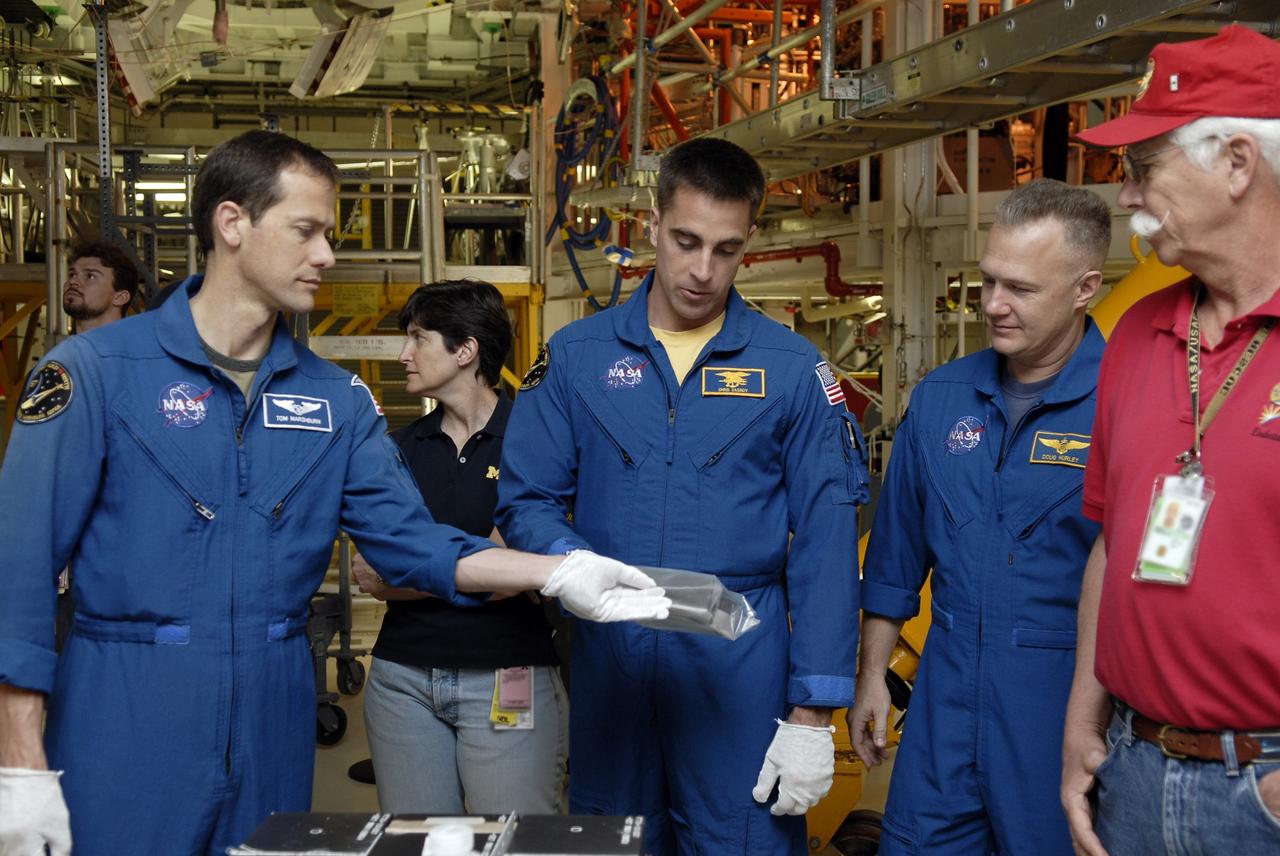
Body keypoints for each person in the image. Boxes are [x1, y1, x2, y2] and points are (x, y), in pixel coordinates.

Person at [0, 130, 670, 856]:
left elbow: (416, 546)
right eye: (307, 231)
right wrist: (20, 762)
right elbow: (21, 568)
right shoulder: (97, 372)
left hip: (272, 715)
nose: (327, 254)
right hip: (124, 708)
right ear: (232, 224)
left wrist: (561, 571)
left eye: (329, 233)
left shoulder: (335, 402)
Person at [496, 137, 868, 855]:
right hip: (614, 659)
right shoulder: (578, 356)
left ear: (749, 240)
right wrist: (571, 565)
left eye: (725, 250)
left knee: (742, 839)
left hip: (741, 669)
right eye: (686, 241)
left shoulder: (791, 371)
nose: (702, 271)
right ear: (651, 226)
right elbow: (526, 500)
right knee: (614, 841)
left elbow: (825, 546)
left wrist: (813, 713)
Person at [1063, 24, 1280, 856]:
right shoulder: (1139, 332)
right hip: (1132, 769)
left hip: (1261, 788)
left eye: (1143, 167)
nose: (1126, 196)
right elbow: (1114, 543)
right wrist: (1083, 728)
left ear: (1235, 162)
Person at [847, 178, 1110, 854]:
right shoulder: (941, 399)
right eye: (988, 280)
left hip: (1060, 712)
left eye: (1020, 289)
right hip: (944, 707)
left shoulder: (1124, 404)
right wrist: (872, 674)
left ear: (1085, 287)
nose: (993, 305)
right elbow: (895, 560)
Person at [354, 280, 566, 814]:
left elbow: (524, 568)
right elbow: (370, 573)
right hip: (402, 681)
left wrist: (417, 565)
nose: (404, 354)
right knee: (418, 847)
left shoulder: (534, 441)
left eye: (418, 338)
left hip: (508, 675)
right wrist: (494, 566)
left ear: (465, 350)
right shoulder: (397, 449)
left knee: (514, 842)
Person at [63, 240, 139, 332]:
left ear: (120, 298)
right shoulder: (67, 346)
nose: (73, 281)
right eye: (72, 274)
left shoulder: (136, 346)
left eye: (90, 276)